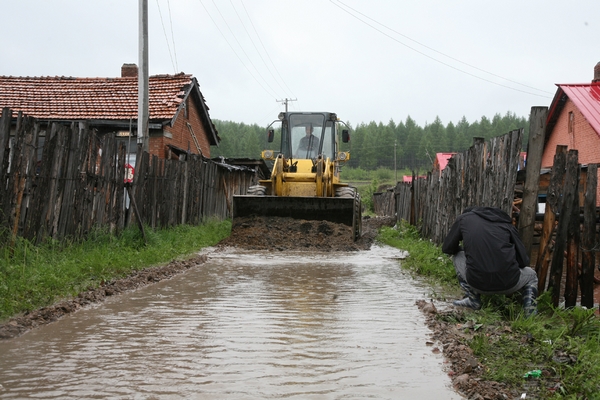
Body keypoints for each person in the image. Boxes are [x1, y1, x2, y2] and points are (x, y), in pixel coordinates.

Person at [442, 206, 538, 317]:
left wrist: (466, 250)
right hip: (509, 284)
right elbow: (524, 261)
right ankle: (530, 314)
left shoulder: (463, 219)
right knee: (532, 276)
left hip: (476, 283)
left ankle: (473, 300)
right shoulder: (506, 224)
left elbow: (447, 249)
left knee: (458, 255)